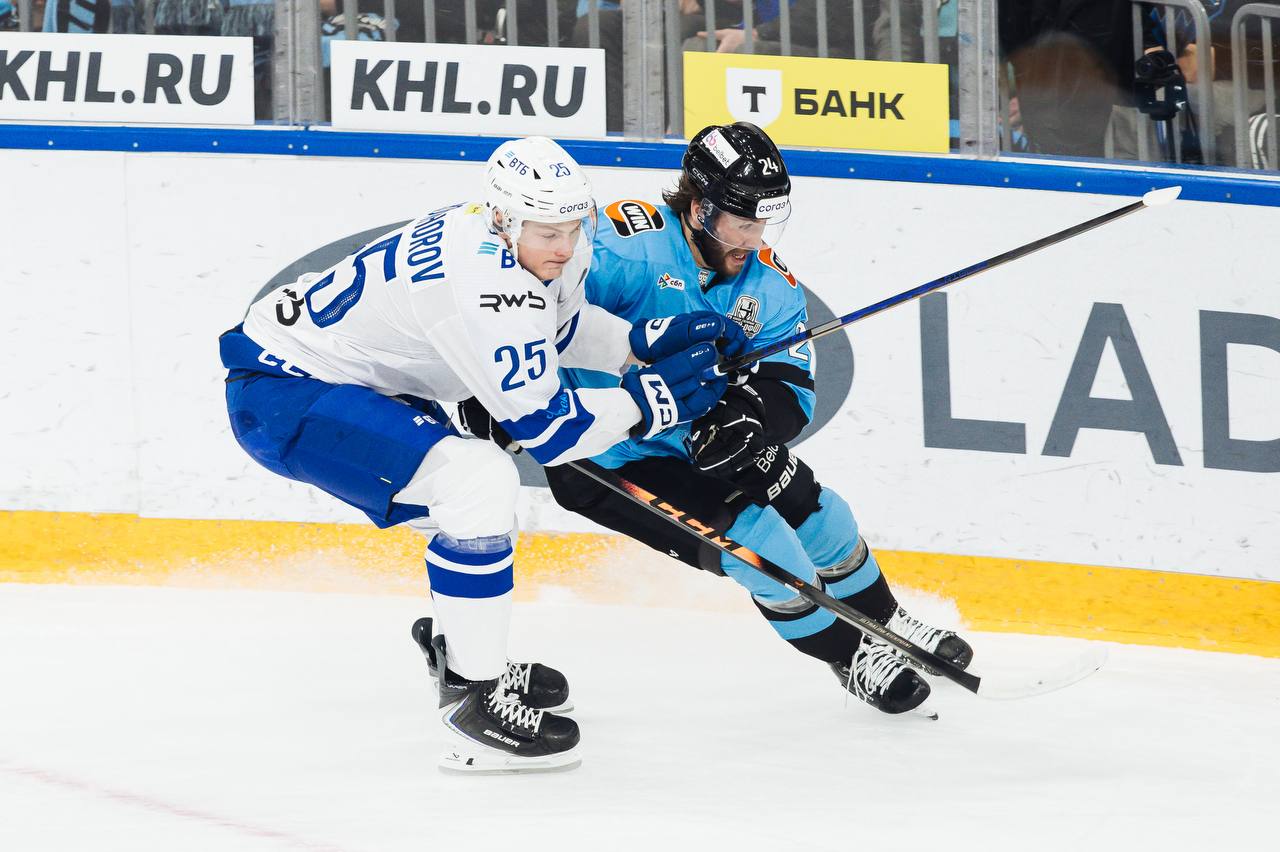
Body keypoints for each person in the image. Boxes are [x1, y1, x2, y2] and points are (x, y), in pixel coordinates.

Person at [219, 136, 745, 773]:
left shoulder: (527, 243)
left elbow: (557, 327)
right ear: (502, 219)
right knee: (476, 484)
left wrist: (640, 342)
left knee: (472, 502)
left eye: (573, 227)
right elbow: (550, 434)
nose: (565, 247)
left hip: (347, 380)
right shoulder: (480, 283)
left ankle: (469, 657)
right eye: (548, 233)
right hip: (285, 394)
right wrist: (652, 400)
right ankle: (471, 704)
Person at [463, 123, 973, 715]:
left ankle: (886, 619)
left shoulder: (769, 283)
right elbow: (523, 303)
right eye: (742, 224)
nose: (754, 241)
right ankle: (852, 655)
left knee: (817, 510)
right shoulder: (619, 249)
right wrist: (496, 394)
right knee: (765, 549)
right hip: (604, 452)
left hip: (695, 438)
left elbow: (791, 387)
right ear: (700, 208)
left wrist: (747, 417)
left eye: (765, 224)